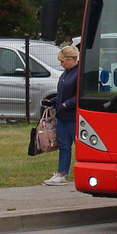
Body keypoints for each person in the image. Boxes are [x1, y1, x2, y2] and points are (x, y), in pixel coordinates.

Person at [43, 45, 79, 186]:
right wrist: (52, 102)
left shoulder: (78, 74)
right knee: (64, 145)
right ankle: (61, 173)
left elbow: (77, 96)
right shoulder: (66, 74)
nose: (61, 64)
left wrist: (65, 104)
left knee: (79, 146)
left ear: (70, 59)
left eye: (63, 61)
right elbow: (62, 94)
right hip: (62, 117)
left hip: (73, 117)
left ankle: (81, 172)